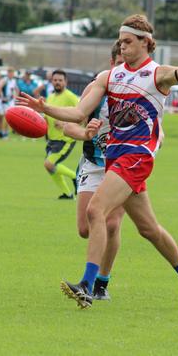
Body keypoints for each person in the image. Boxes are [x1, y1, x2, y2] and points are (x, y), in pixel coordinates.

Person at [18, 14, 178, 310]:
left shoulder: (157, 75)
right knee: (149, 230)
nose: (122, 47)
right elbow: (79, 112)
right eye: (120, 42)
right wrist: (46, 109)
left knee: (97, 210)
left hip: (137, 158)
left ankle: (88, 284)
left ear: (146, 42)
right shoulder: (109, 77)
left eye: (128, 42)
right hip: (115, 159)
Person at [61, 40, 126, 300]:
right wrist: (85, 133)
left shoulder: (139, 93)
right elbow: (69, 126)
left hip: (122, 167)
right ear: (111, 65)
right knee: (85, 229)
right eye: (120, 65)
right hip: (92, 163)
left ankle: (100, 283)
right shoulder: (96, 89)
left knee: (112, 223)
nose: (125, 71)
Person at [44, 69, 79, 200]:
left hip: (65, 139)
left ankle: (75, 176)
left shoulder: (71, 97)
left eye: (60, 80)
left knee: (48, 164)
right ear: (51, 81)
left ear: (66, 82)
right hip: (52, 139)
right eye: (55, 80)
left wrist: (65, 123)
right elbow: (48, 116)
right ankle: (67, 194)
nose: (57, 82)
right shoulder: (50, 97)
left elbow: (82, 114)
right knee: (50, 167)